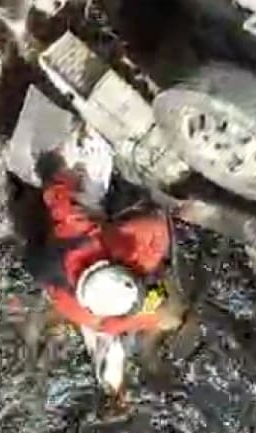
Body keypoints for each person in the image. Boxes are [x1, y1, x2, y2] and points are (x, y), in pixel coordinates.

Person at [29, 151, 183, 413]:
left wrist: (57, 175)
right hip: (62, 270)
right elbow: (155, 227)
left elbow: (60, 200)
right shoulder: (99, 244)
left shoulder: (80, 246)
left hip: (51, 265)